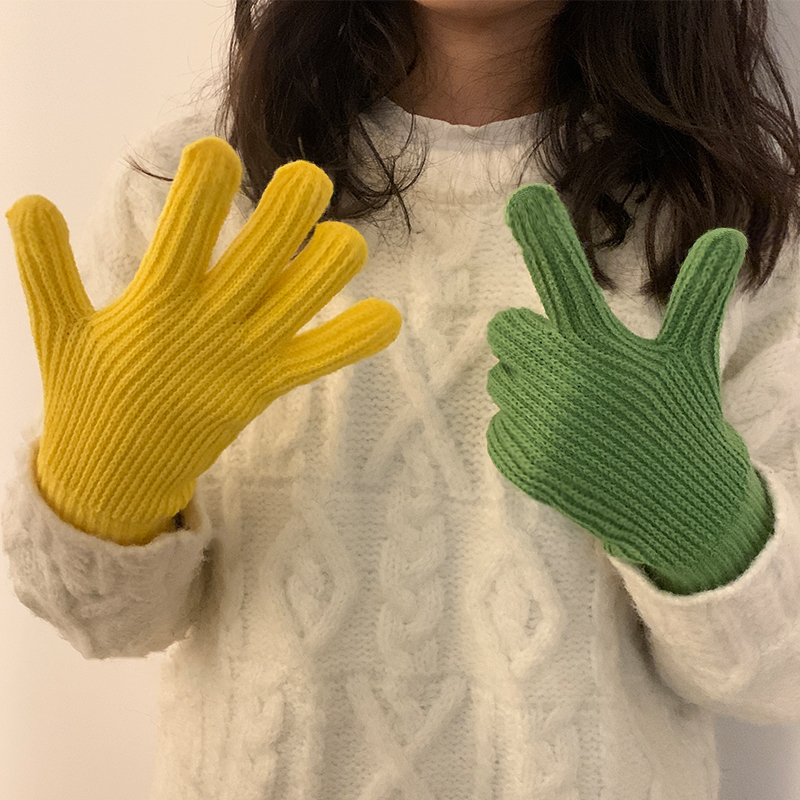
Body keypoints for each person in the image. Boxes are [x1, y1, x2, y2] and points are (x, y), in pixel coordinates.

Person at [4, 1, 800, 797]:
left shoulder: (730, 210)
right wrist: (105, 485)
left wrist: (706, 522)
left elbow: (779, 676)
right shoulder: (201, 192)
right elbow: (96, 618)